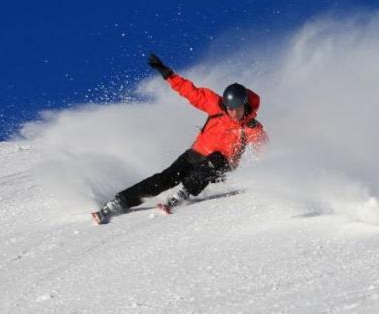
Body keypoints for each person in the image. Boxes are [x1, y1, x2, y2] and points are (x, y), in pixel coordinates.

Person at [92, 53, 267, 224]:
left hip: (220, 166)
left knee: (216, 159)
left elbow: (265, 149)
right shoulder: (215, 105)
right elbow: (191, 92)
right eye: (230, 108)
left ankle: (183, 193)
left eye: (238, 108)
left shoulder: (251, 127)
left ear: (245, 104)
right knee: (165, 178)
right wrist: (167, 74)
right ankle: (120, 201)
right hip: (196, 154)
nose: (234, 113)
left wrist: (266, 172)